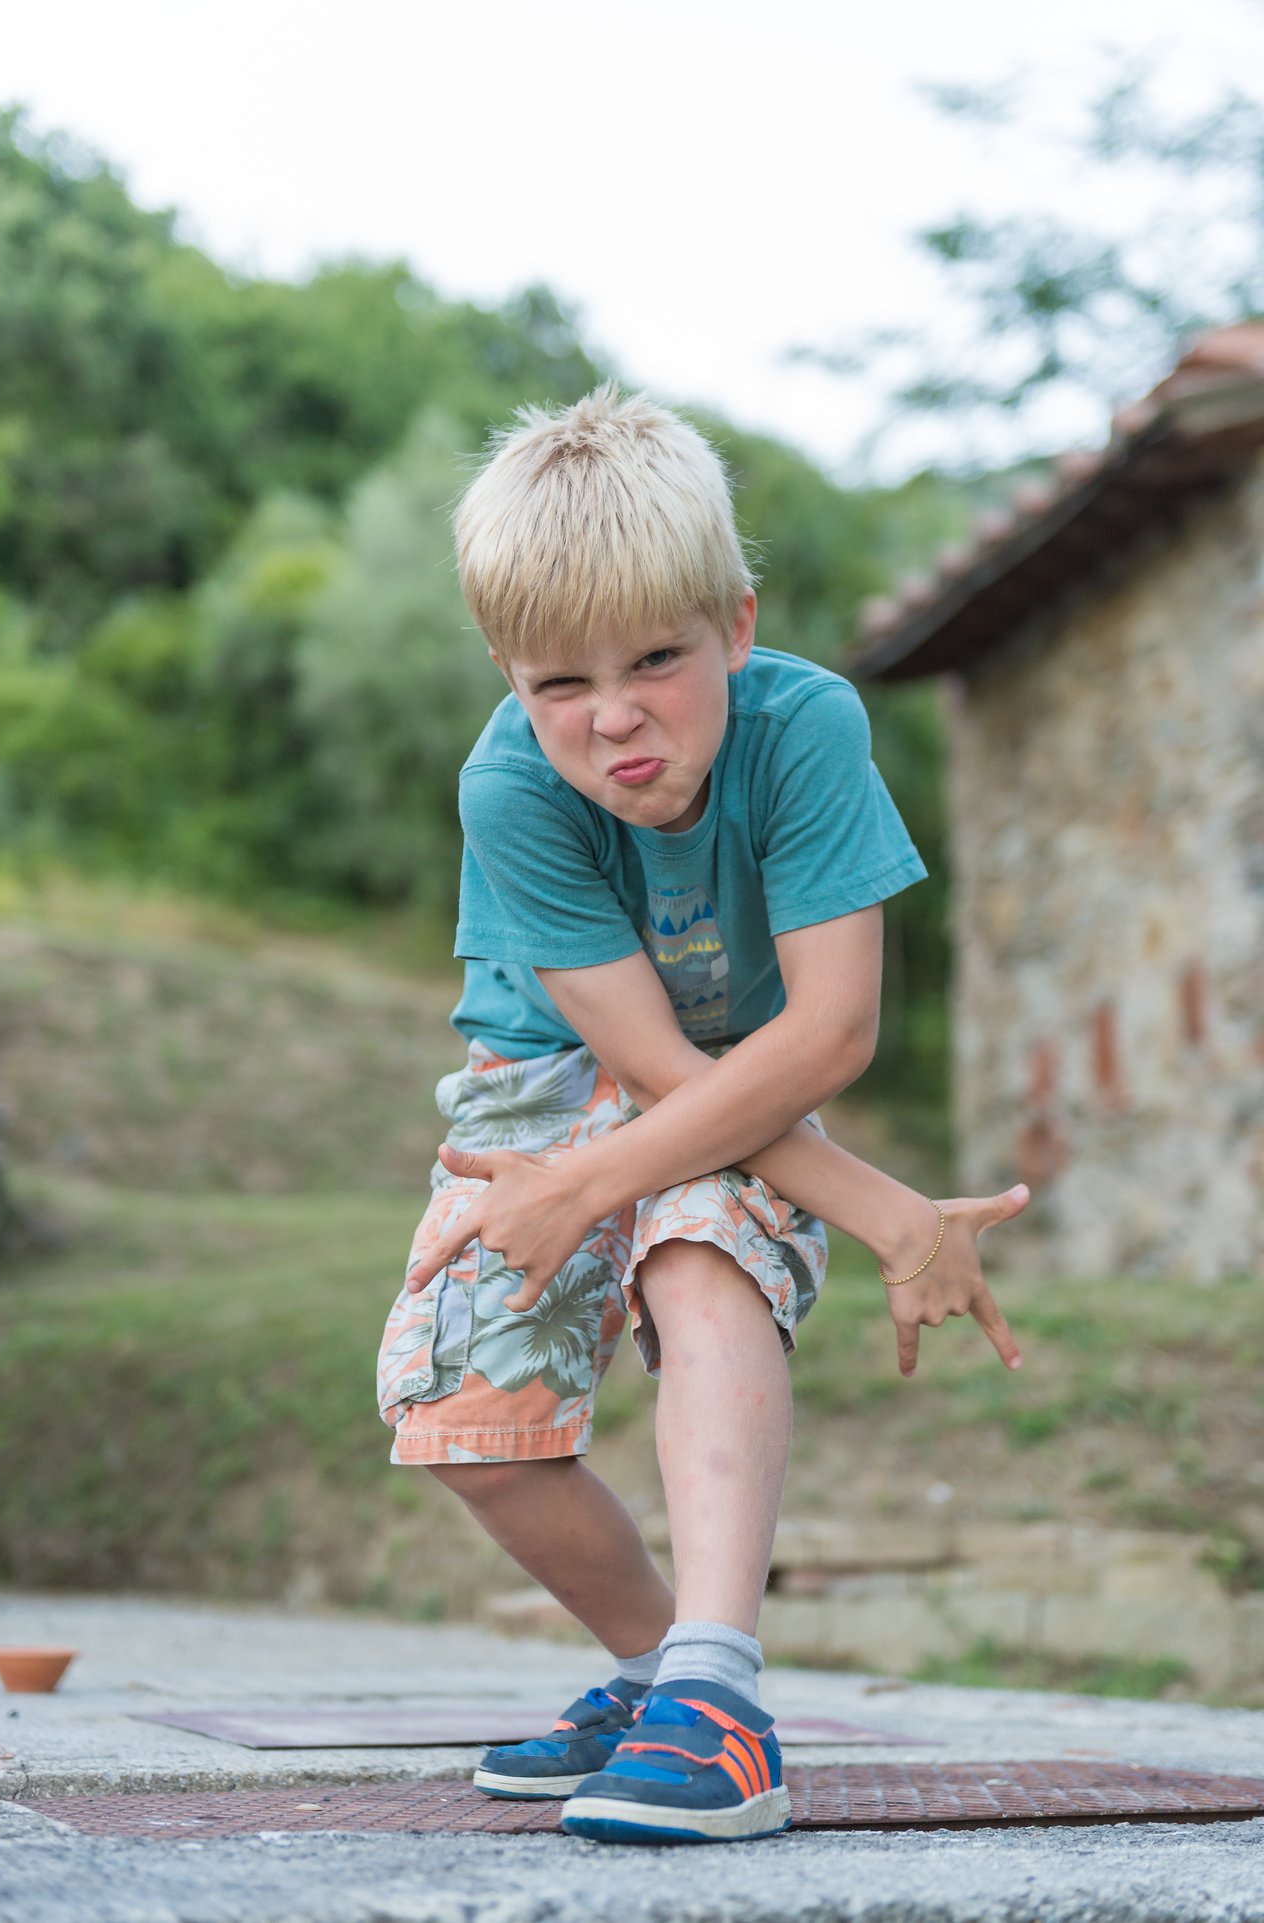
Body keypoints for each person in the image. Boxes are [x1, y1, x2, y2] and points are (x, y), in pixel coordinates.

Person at [376, 385, 1028, 1846]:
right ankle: (653, 1669)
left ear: (736, 624)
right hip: (552, 1082)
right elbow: (644, 1067)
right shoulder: (510, 787)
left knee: (700, 1260)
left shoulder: (805, 732)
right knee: (465, 1419)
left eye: (657, 661)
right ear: (505, 670)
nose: (612, 719)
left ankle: (720, 1705)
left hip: (756, 1059)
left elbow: (831, 1028)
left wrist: (619, 1191)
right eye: (558, 684)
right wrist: (879, 1209)